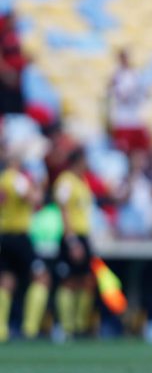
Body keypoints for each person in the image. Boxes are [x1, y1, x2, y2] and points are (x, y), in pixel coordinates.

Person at [0, 129, 50, 341]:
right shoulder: (17, 180)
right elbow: (34, 199)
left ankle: (2, 329)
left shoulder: (3, 179)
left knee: (6, 280)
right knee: (41, 277)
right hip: (19, 236)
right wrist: (39, 183)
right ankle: (29, 328)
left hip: (4, 235)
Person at [53, 147, 95, 340]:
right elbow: (63, 210)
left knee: (86, 280)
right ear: (78, 160)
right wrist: (71, 241)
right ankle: (66, 326)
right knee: (69, 281)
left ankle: (80, 325)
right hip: (72, 236)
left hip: (83, 235)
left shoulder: (81, 181)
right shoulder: (65, 181)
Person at [106, 48, 151, 154]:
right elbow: (115, 95)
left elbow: (145, 93)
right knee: (123, 150)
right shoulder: (116, 76)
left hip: (136, 117)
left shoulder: (135, 74)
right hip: (123, 119)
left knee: (140, 149)